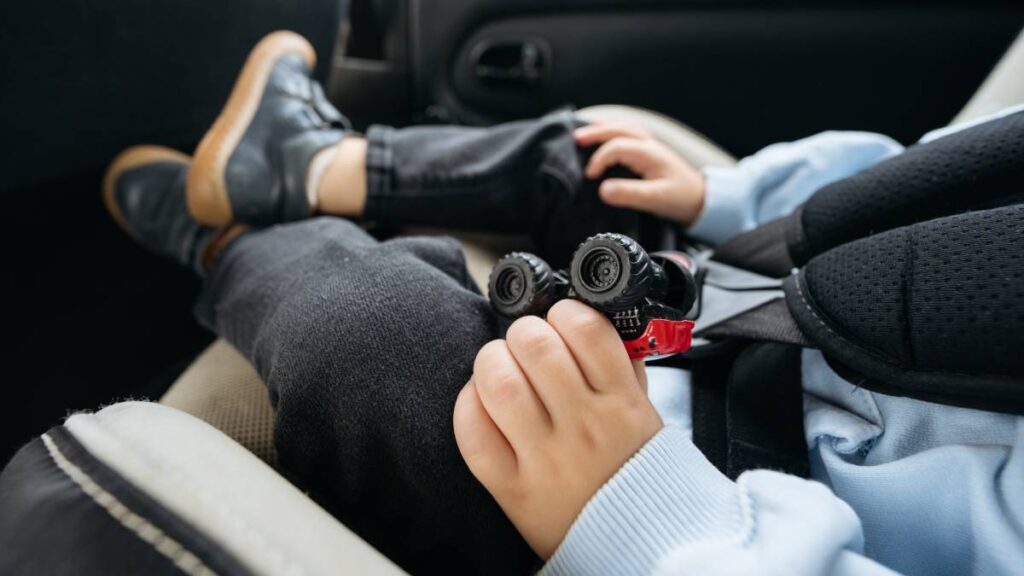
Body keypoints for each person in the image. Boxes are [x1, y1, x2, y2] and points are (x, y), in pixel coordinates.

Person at [102, 31, 1023, 575]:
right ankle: (303, 166)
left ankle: (227, 244)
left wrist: (649, 518)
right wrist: (730, 197)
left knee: (378, 340)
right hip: (770, 281)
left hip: (726, 491)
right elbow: (943, 174)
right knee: (593, 163)